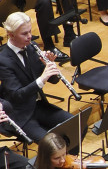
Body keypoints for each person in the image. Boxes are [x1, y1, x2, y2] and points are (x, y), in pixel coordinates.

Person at [0, 11, 73, 141]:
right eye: (24, 33)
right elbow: (17, 95)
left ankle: (70, 160)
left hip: (39, 105)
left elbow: (54, 80)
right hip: (21, 114)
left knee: (75, 126)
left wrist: (49, 66)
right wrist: (42, 79)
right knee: (52, 145)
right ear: (10, 35)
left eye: (30, 31)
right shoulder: (3, 60)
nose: (30, 36)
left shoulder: (32, 47)